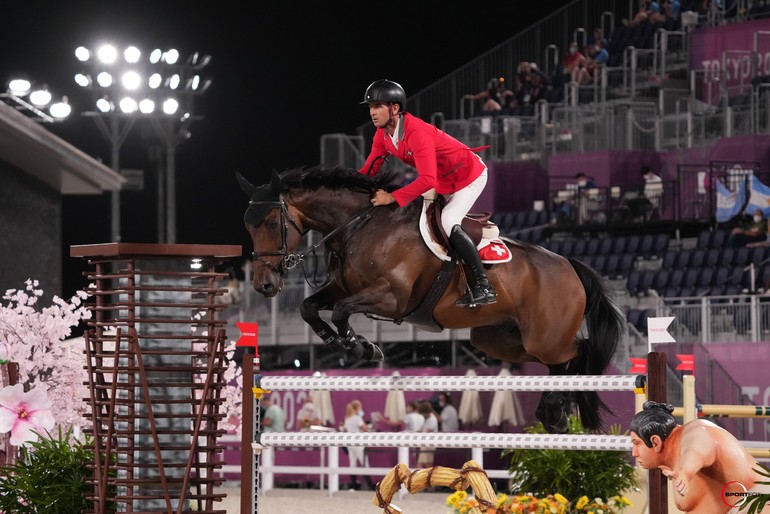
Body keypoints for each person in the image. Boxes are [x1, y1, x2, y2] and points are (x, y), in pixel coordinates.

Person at [359, 79, 497, 307]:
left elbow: (427, 180)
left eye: (377, 106)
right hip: (443, 179)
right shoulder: (381, 135)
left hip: (468, 176)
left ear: (394, 108)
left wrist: (392, 197)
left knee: (449, 220)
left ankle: (483, 285)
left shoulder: (417, 133)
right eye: (370, 107)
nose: (372, 113)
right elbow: (368, 171)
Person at [629, 401, 770, 513]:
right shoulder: (671, 454)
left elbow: (699, 448)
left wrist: (686, 471)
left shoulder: (696, 432)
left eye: (637, 443)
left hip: (758, 500)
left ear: (655, 442)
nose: (634, 453)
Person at [342, 400, 372, 490]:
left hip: (350, 444)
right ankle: (370, 485)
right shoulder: (357, 418)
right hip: (358, 443)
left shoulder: (347, 418)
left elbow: (345, 430)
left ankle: (354, 485)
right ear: (357, 408)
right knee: (364, 463)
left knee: (352, 464)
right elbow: (364, 428)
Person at [417, 400, 439, 468]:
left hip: (429, 444)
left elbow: (428, 431)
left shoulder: (432, 419)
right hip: (425, 444)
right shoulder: (428, 419)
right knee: (421, 463)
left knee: (427, 464)